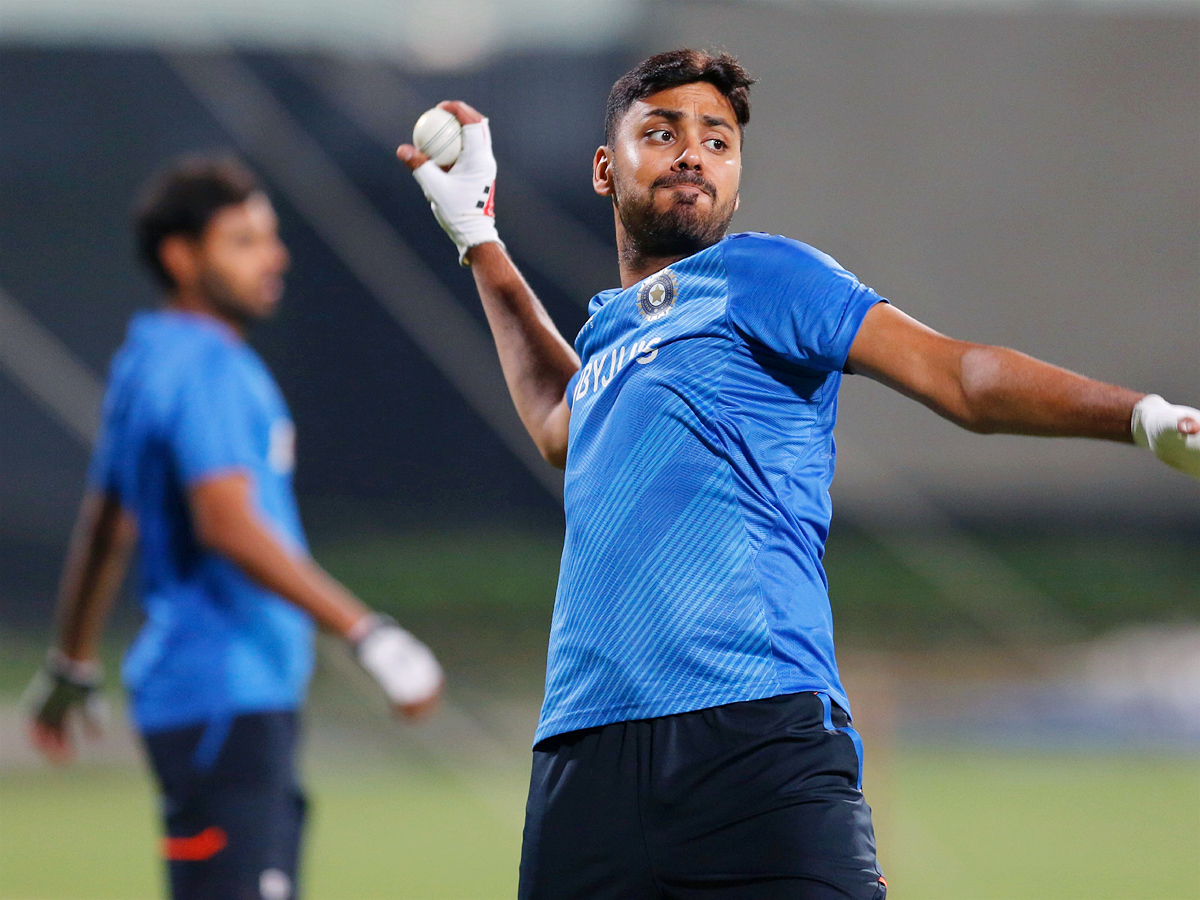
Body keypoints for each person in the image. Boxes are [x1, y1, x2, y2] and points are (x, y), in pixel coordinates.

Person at [397, 50, 1200, 900]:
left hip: (751, 733)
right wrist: (480, 241)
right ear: (606, 169)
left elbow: (957, 377)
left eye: (718, 140)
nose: (692, 154)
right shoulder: (608, 337)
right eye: (661, 133)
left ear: (737, 177)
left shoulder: (763, 275)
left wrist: (1140, 417)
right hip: (583, 753)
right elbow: (562, 421)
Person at [23, 156, 443, 900]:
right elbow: (225, 523)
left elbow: (105, 525)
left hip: (198, 700)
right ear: (182, 257)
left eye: (270, 236)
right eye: (243, 240)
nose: (272, 255)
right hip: (228, 701)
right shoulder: (210, 367)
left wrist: (71, 663)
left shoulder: (145, 357)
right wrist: (367, 632)